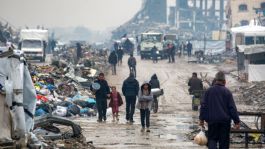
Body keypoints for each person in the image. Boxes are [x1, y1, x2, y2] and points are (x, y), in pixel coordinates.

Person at [199, 71, 240, 149]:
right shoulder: (227, 92)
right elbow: (232, 108)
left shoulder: (208, 91)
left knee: (212, 140)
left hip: (212, 121)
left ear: (216, 80)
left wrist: (201, 119)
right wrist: (236, 121)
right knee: (224, 142)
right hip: (224, 122)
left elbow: (203, 106)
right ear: (224, 81)